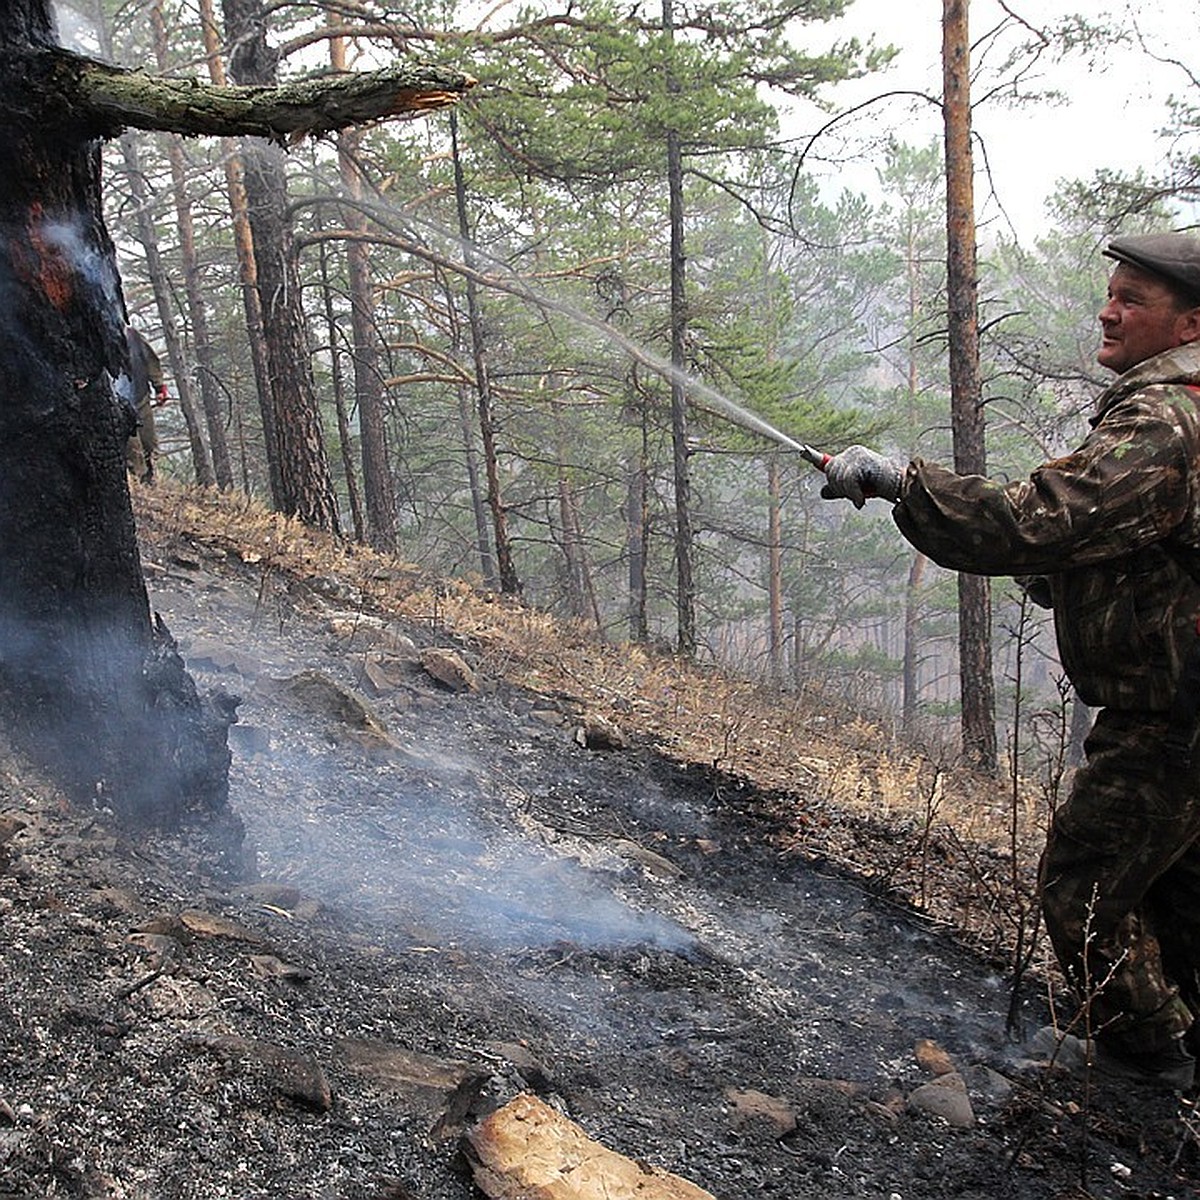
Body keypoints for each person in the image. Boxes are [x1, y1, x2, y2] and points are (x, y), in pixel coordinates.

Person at [820, 231, 1200, 1091]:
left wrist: (900, 482)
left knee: (1085, 890)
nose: (1108, 310)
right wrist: (1064, 579)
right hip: (1180, 702)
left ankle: (1150, 1070)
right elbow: (1137, 545)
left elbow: (1040, 519)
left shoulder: (1166, 421)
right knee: (1176, 901)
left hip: (1175, 717)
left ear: (1190, 324)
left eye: (1133, 299)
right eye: (1111, 291)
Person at [124, 325, 169, 484]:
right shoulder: (98, 339)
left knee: (149, 443)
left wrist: (160, 388)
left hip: (141, 400)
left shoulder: (133, 335)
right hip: (120, 408)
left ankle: (151, 480)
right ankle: (140, 484)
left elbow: (150, 361)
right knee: (133, 451)